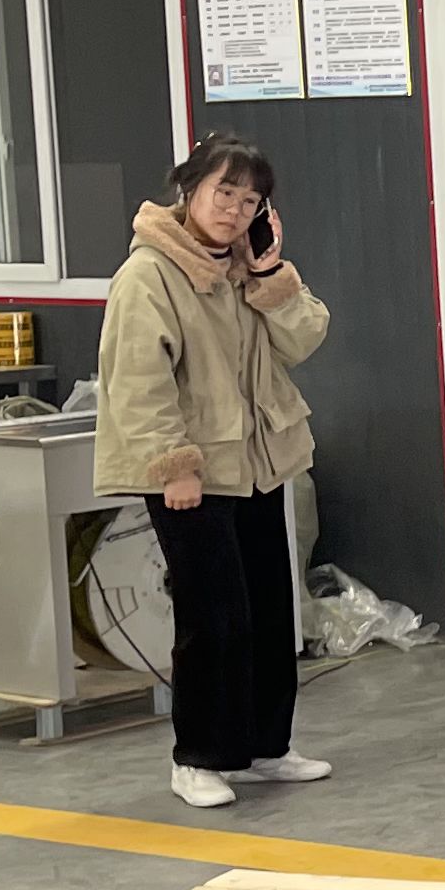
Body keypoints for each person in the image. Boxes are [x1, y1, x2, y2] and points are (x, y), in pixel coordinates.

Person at [96, 131, 333, 809]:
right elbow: (137, 383)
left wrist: (270, 276)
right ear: (188, 190)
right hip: (192, 474)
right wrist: (174, 466)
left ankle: (265, 746)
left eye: (249, 200)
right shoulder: (149, 275)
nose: (234, 210)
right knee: (214, 617)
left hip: (256, 463)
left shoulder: (244, 269)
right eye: (223, 192)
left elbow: (304, 338)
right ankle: (198, 757)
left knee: (269, 611)